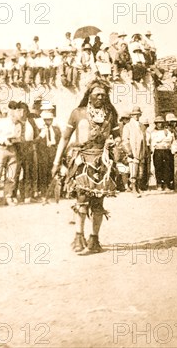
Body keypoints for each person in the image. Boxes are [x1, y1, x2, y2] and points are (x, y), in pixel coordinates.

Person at [51, 80, 119, 255]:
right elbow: (64, 139)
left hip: (103, 162)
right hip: (82, 161)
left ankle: (94, 239)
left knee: (98, 203)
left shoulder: (110, 113)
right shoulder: (78, 113)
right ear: (89, 95)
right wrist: (56, 162)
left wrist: (115, 142)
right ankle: (79, 237)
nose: (100, 97)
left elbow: (118, 136)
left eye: (103, 94)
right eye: (97, 94)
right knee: (82, 201)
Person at [122, 106, 146, 198]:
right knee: (133, 171)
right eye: (134, 115)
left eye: (138, 114)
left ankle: (138, 187)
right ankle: (134, 189)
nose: (136, 116)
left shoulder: (142, 126)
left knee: (140, 172)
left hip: (141, 151)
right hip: (133, 152)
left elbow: (144, 140)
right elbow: (125, 140)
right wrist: (129, 151)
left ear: (140, 115)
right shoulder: (128, 126)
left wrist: (145, 151)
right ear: (132, 115)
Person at [38, 110, 61, 204]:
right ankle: (44, 193)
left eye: (50, 120)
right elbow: (36, 141)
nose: (48, 122)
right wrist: (41, 135)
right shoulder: (40, 129)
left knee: (53, 172)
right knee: (43, 172)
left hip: (53, 150)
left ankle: (53, 193)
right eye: (46, 120)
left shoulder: (56, 129)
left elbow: (60, 140)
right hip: (43, 152)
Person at [150, 116, 174, 191]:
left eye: (161, 123)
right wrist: (162, 140)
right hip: (158, 151)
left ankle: (166, 184)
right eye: (158, 123)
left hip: (166, 150)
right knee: (158, 167)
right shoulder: (153, 132)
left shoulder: (167, 131)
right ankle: (159, 184)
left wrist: (162, 141)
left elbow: (169, 140)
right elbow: (154, 141)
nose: (159, 124)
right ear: (156, 124)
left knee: (167, 167)